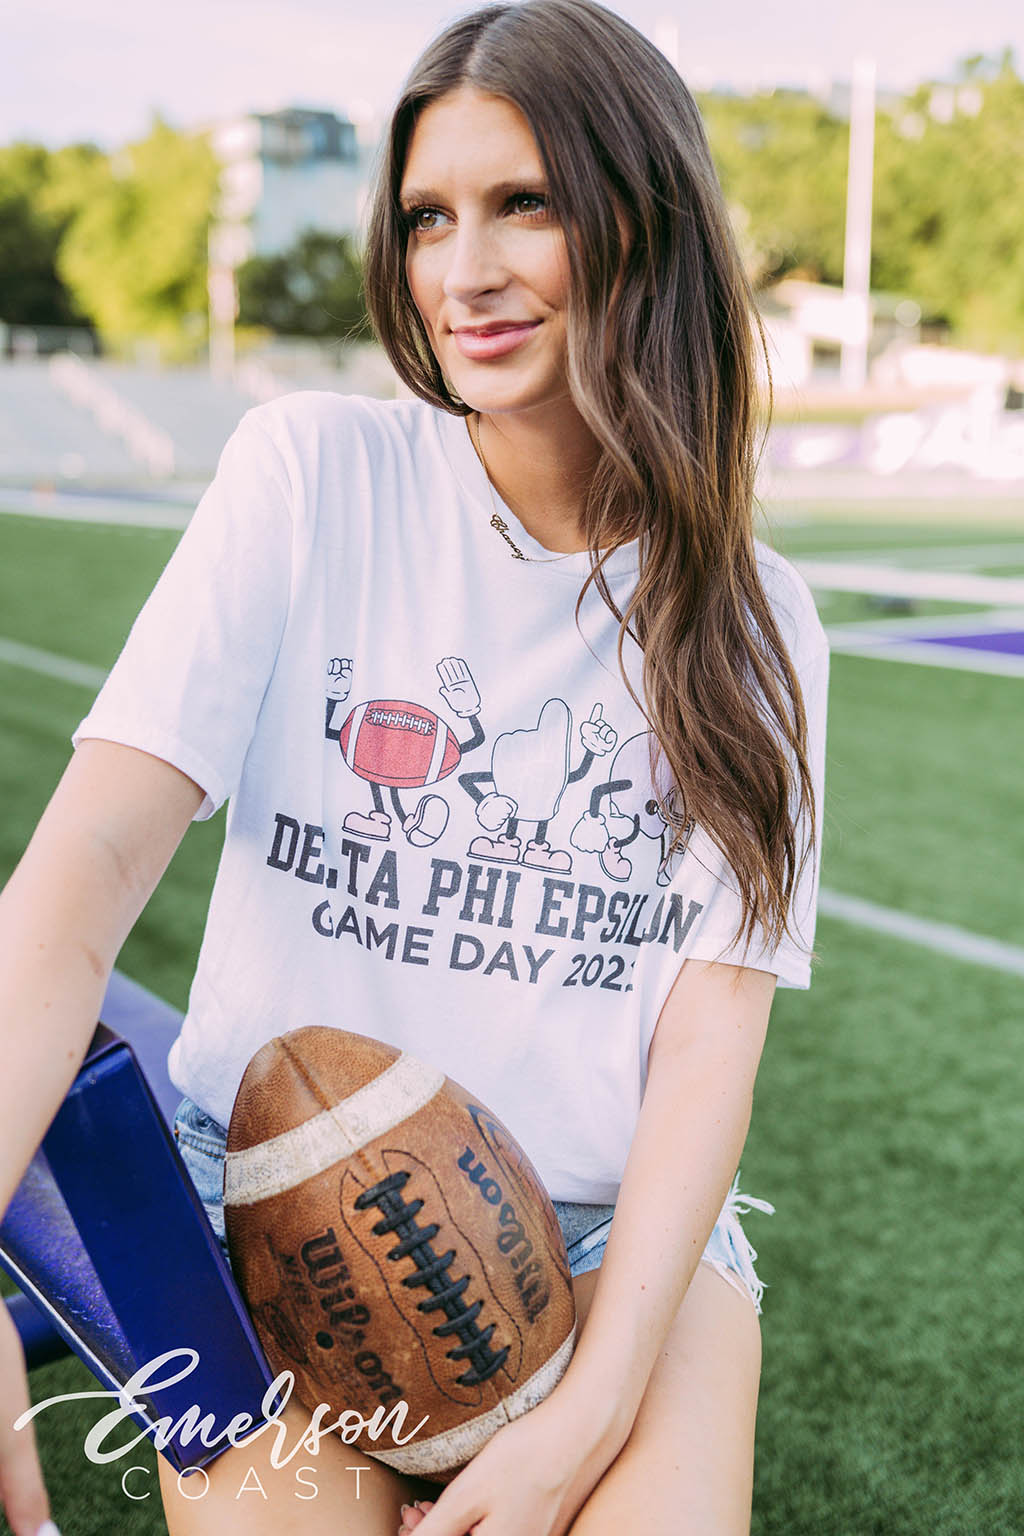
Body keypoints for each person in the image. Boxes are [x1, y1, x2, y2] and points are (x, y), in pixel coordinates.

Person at [0, 1, 829, 1533]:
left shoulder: (762, 622)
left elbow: (711, 1048)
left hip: (599, 1241)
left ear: (643, 217)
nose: (465, 271)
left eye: (528, 203)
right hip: (260, 1216)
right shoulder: (311, 472)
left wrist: (586, 1418)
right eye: (429, 216)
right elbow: (85, 872)